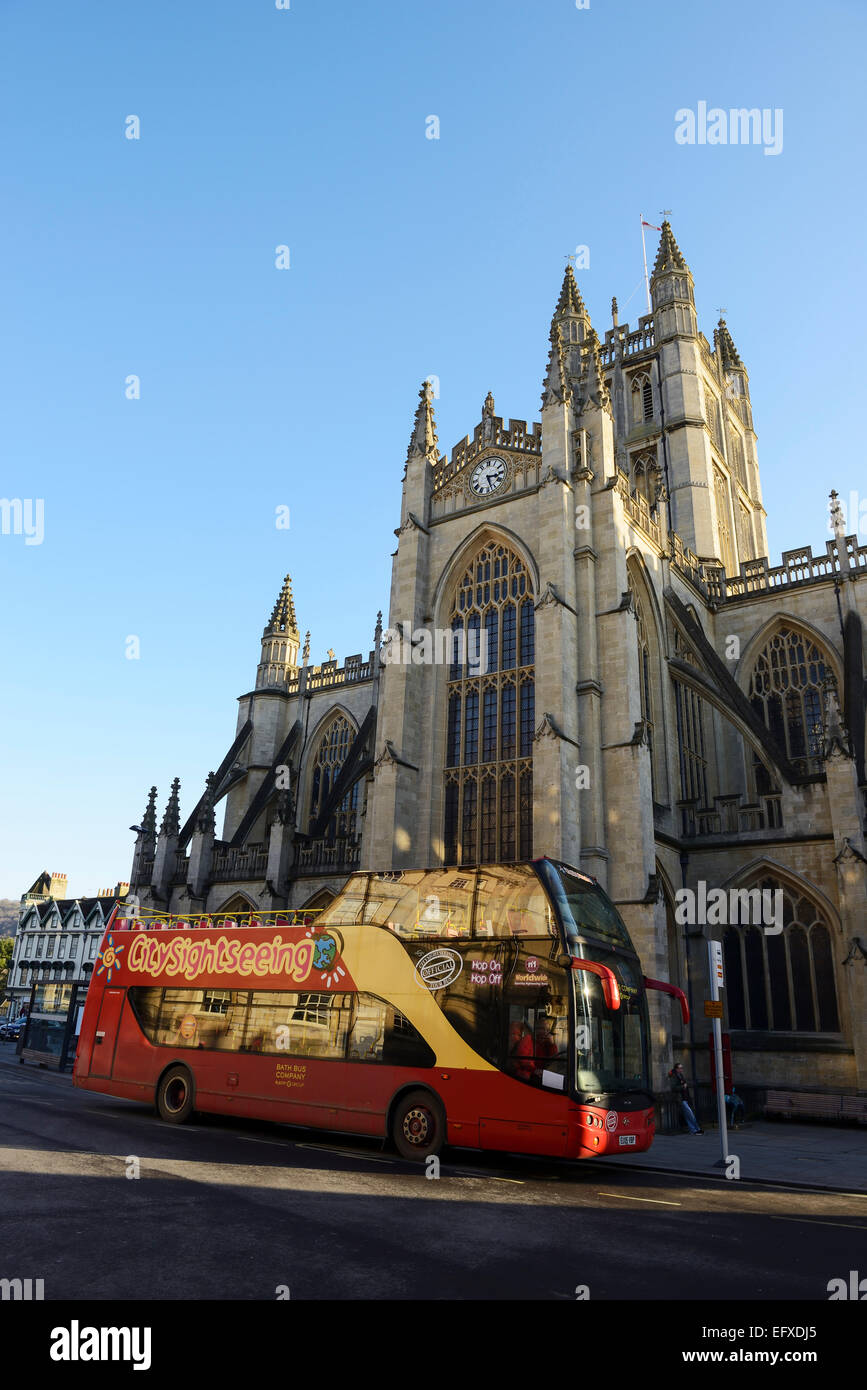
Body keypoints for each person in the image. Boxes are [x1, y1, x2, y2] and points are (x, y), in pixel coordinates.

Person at [669, 1062, 703, 1134]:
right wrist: (683, 1086)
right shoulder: (674, 1076)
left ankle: (693, 1130)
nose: (682, 1069)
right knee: (690, 1114)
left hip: (685, 1097)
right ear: (676, 1069)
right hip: (680, 1098)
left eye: (682, 1068)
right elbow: (673, 1087)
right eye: (680, 1068)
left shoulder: (680, 1075)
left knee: (687, 1115)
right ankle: (697, 1129)